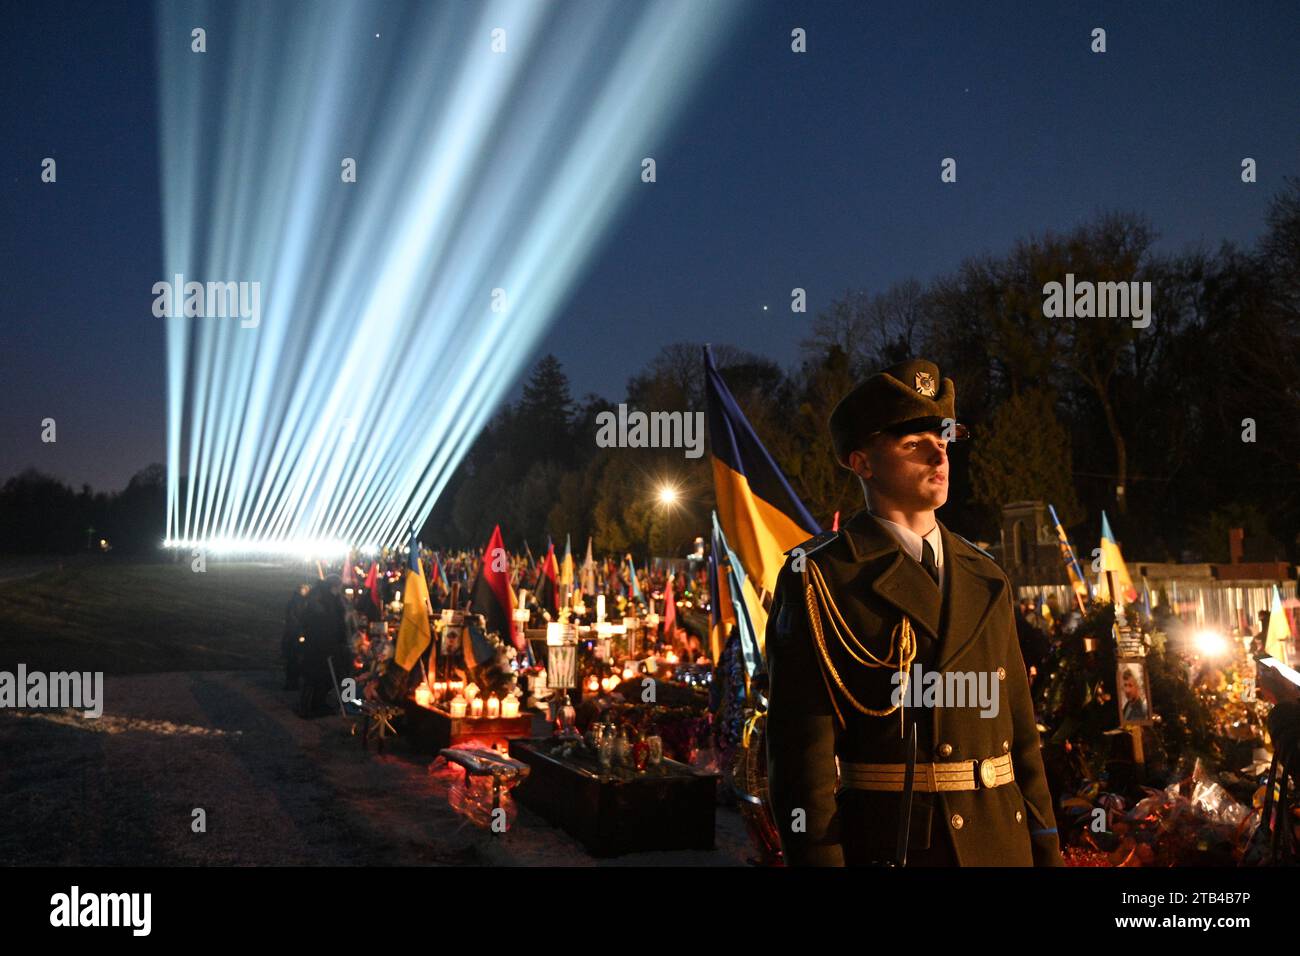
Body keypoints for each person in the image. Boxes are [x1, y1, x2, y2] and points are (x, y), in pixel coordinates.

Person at [765, 358, 1063, 867]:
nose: (938, 456)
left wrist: (1046, 849)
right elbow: (802, 764)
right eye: (913, 445)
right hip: (899, 847)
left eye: (943, 441)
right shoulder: (821, 576)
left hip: (1002, 841)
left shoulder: (986, 575)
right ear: (862, 462)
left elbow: (1021, 738)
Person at [297, 575, 349, 718]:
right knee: (315, 676)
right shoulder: (322, 601)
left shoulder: (324, 598)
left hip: (321, 643)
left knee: (322, 677)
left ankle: (316, 704)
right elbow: (327, 623)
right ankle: (308, 707)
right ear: (334, 586)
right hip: (320, 644)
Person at [281, 583, 311, 690]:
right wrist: (300, 630)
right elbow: (292, 618)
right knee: (293, 660)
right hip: (294, 635)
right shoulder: (294, 603)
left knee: (299, 660)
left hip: (300, 635)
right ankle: (291, 682)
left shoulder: (308, 602)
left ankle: (296, 681)